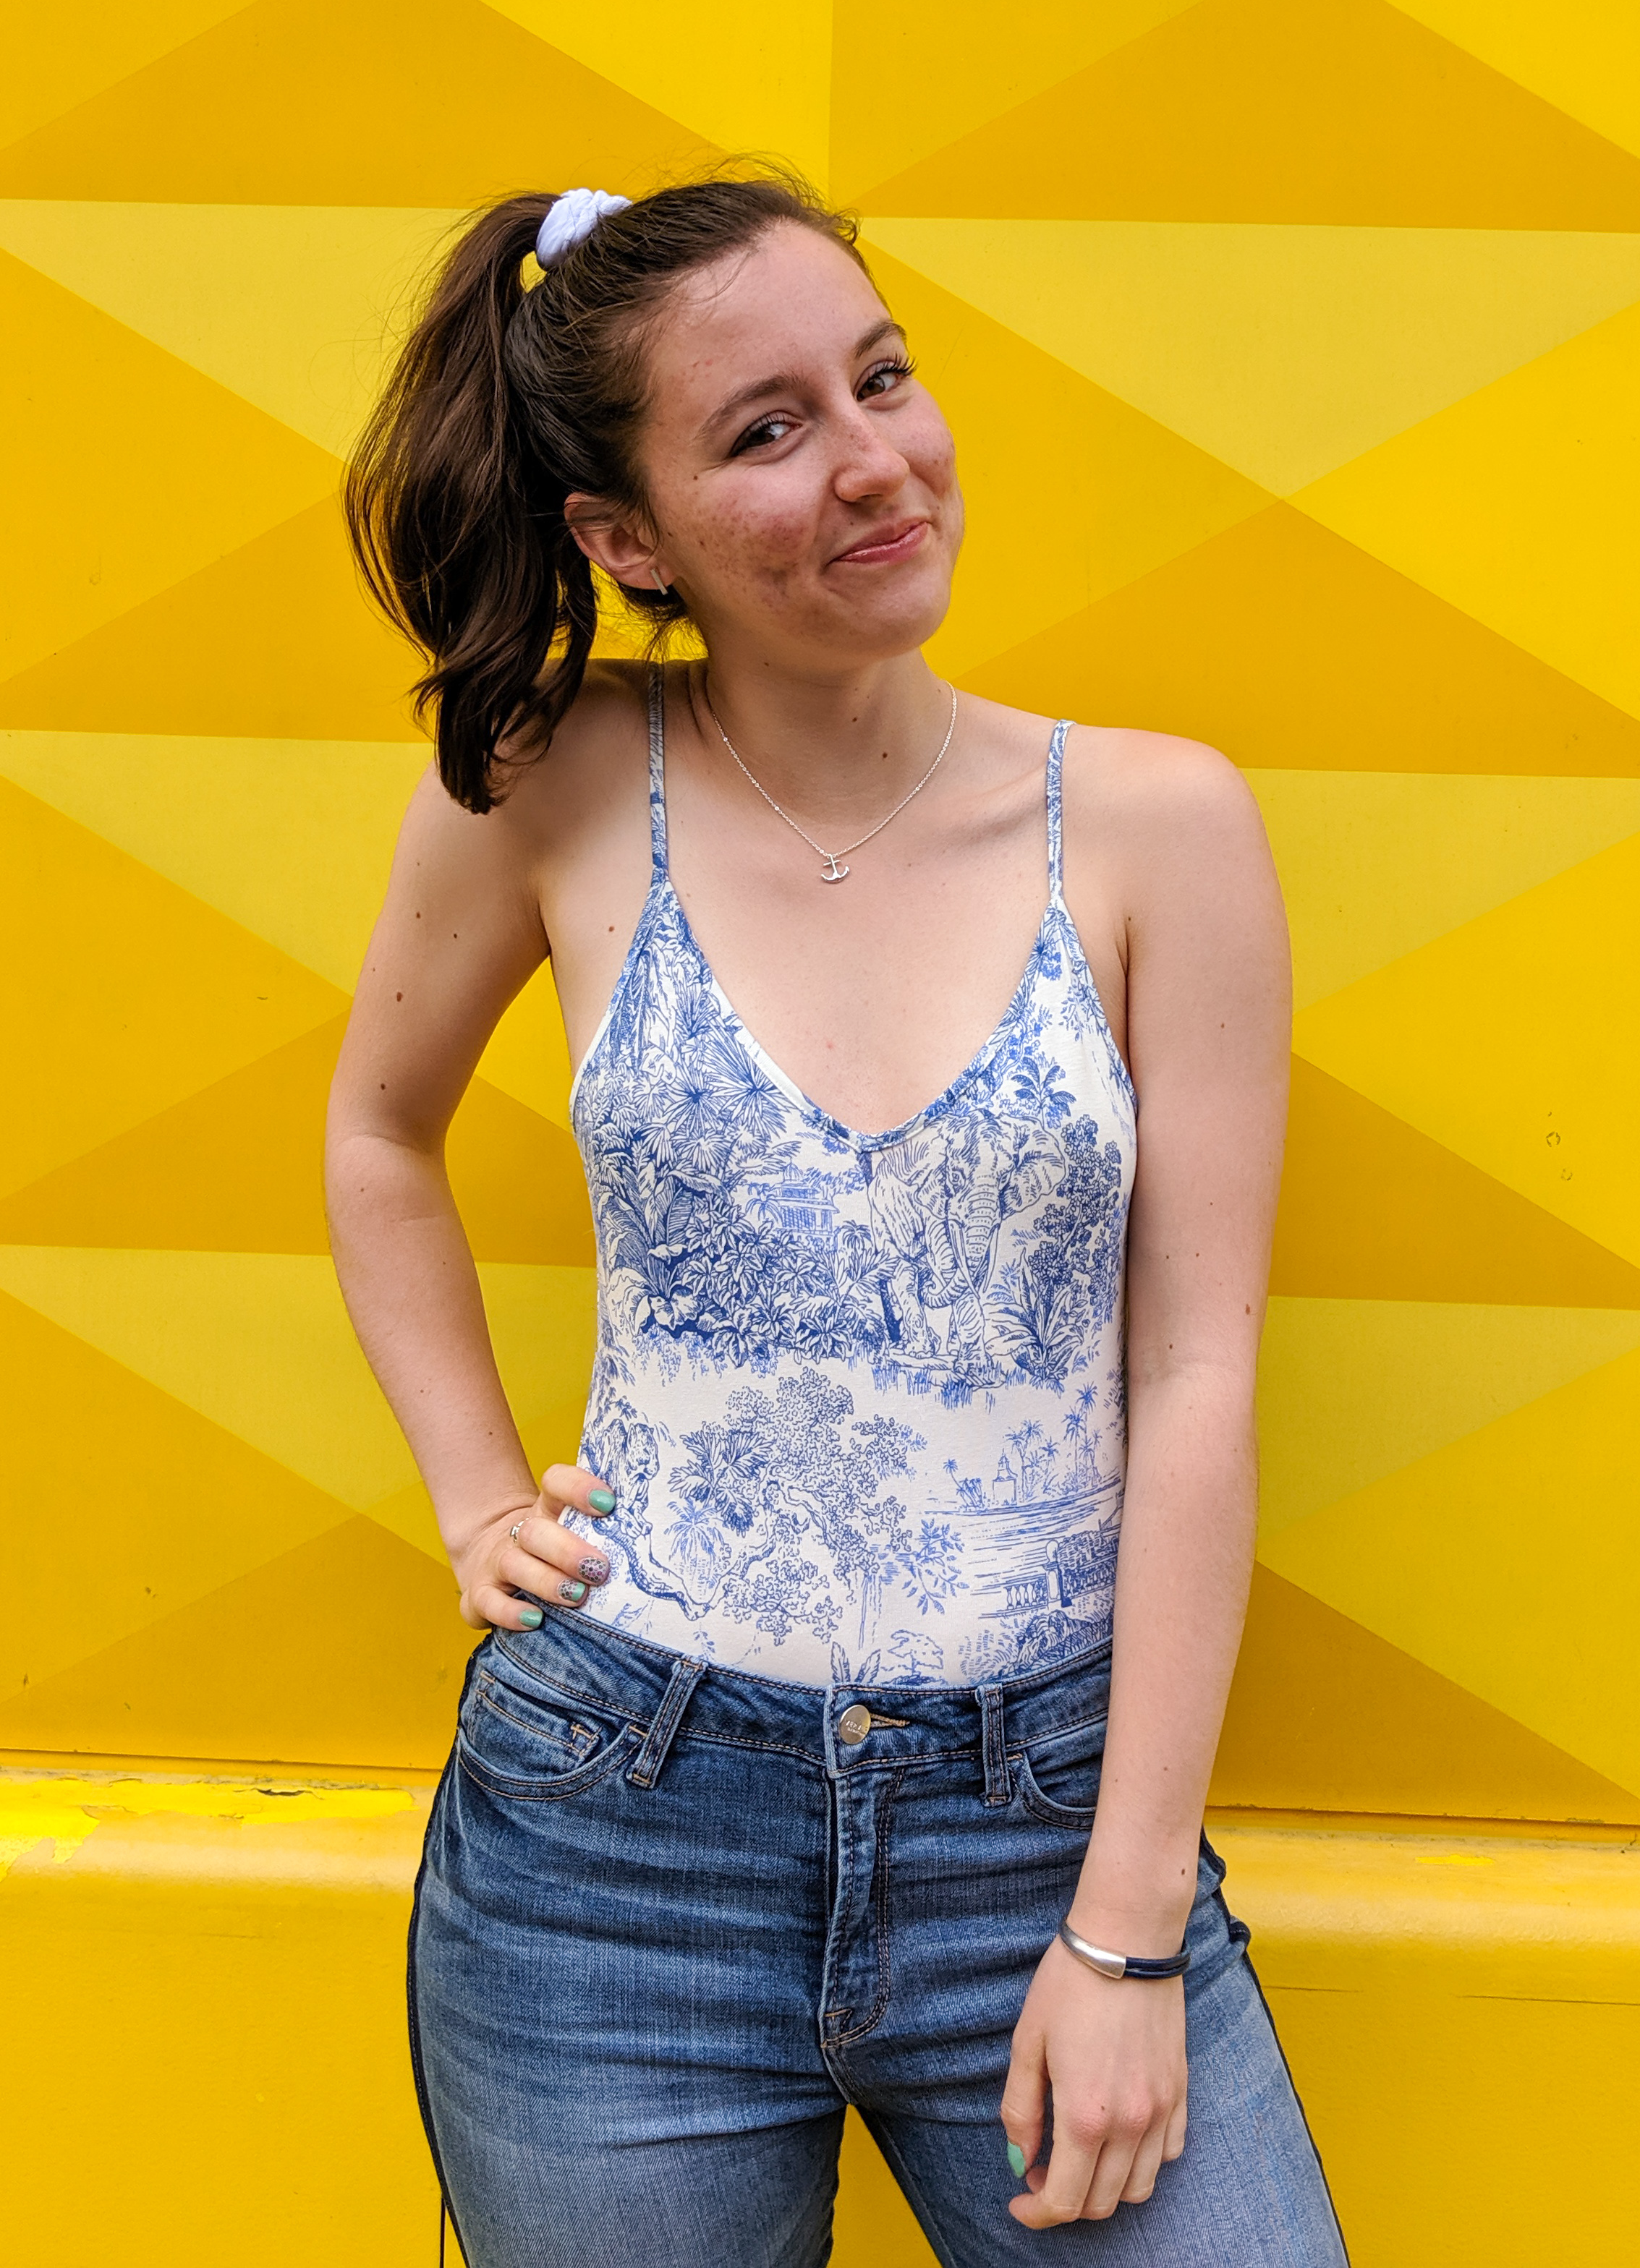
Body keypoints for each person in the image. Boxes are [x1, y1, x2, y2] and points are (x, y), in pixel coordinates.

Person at [326, 172, 1346, 2265]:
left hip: (1046, 1820)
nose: (875, 458)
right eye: (766, 429)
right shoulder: (545, 776)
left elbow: (1196, 1371)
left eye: (879, 377)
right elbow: (375, 1135)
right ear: (628, 542)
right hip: (616, 1848)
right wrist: (467, 1496)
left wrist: (1128, 1932)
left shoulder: (1157, 825)